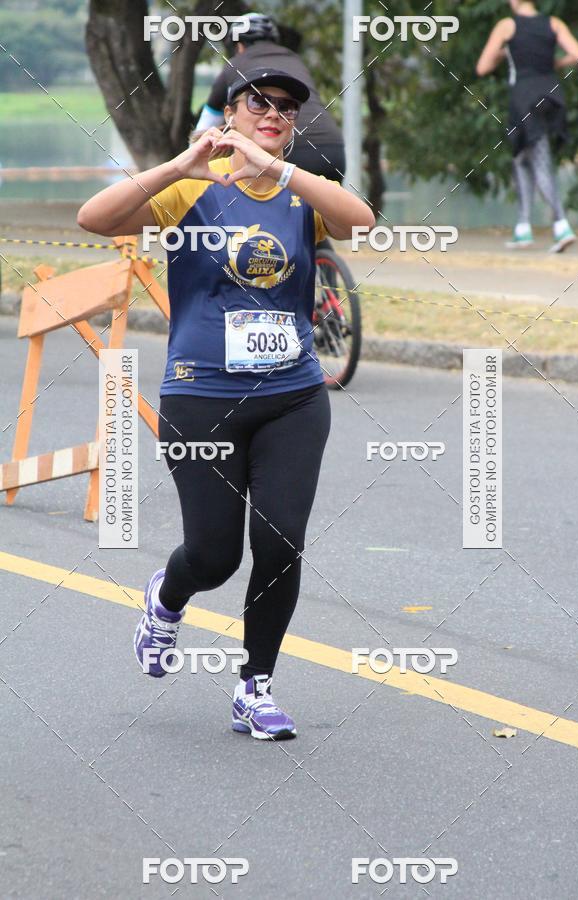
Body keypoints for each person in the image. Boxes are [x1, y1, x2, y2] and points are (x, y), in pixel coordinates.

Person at [77, 69, 374, 741]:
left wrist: (281, 170)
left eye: (286, 107)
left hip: (293, 398)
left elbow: (361, 221)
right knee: (215, 558)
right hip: (200, 398)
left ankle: (254, 687)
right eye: (258, 102)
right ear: (231, 114)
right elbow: (93, 219)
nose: (273, 113)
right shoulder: (192, 187)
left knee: (280, 542)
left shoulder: (303, 193)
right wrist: (179, 164)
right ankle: (167, 597)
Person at [476, 0, 578, 252]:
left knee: (539, 160)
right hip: (551, 95)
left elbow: (482, 67)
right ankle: (523, 228)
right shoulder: (553, 23)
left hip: (523, 98)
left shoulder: (507, 26)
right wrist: (555, 64)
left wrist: (504, 53)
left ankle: (562, 226)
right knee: (521, 157)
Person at [193, 12, 346, 183]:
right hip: (333, 150)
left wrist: (191, 158)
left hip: (290, 151)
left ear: (239, 46)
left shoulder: (235, 62)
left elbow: (207, 122)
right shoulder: (295, 59)